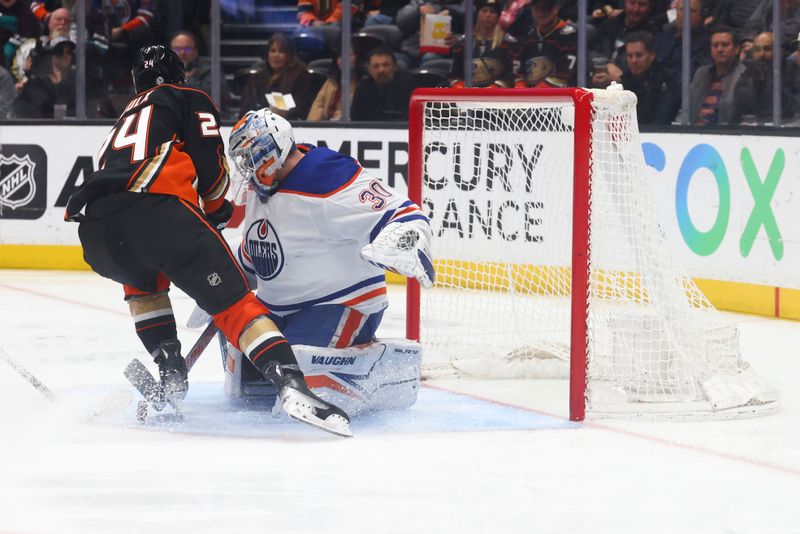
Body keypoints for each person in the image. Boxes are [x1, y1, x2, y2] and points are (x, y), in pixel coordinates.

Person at [63, 45, 352, 437]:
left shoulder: (122, 120)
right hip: (158, 213)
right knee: (234, 304)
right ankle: (290, 382)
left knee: (144, 284)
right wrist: (216, 208)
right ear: (178, 75)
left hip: (96, 230)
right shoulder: (187, 97)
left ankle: (169, 370)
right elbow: (212, 168)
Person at [224, 107, 434, 414]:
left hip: (339, 305)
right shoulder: (260, 186)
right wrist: (227, 280)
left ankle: (372, 368)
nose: (247, 169)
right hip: (280, 306)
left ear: (275, 148)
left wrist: (405, 240)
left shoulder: (325, 174)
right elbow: (263, 242)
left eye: (251, 158)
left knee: (295, 374)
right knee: (239, 343)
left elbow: (404, 213)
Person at [238, 33, 314, 120]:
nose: (276, 55)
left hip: (288, 125)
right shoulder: (257, 77)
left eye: (281, 51)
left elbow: (301, 107)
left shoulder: (300, 76)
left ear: (289, 54)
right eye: (273, 51)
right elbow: (246, 105)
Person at [589, 0, 661, 87]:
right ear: (624, 3)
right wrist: (607, 65)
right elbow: (590, 51)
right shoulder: (608, 24)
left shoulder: (653, 34)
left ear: (650, 8)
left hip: (629, 89)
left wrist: (619, 80)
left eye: (642, 4)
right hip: (596, 79)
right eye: (632, 3)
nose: (635, 9)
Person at [448, 0, 515, 88]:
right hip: (468, 94)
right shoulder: (464, 43)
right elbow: (455, 74)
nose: (488, 15)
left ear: (498, 16)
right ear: (478, 14)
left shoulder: (507, 44)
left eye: (492, 12)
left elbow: (511, 75)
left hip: (496, 95)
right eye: (484, 11)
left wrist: (497, 86)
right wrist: (458, 85)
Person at [513, 0, 578, 88]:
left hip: (561, 97)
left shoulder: (568, 35)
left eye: (546, 8)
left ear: (556, 9)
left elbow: (563, 75)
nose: (541, 12)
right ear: (532, 9)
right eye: (537, 8)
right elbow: (518, 69)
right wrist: (520, 86)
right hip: (530, 96)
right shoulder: (528, 36)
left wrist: (535, 93)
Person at [689, 24, 745, 125]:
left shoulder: (744, 74)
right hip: (696, 133)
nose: (719, 49)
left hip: (726, 134)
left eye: (725, 45)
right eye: (715, 45)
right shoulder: (701, 73)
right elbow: (689, 108)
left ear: (736, 49)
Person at [620, 31, 679, 124]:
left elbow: (662, 120)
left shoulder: (667, 83)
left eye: (639, 55)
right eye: (630, 56)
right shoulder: (624, 82)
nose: (633, 60)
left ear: (652, 55)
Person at [170, 30, 232, 115]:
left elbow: (217, 95)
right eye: (177, 49)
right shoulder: (165, 69)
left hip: (206, 117)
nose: (182, 53)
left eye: (187, 49)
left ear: (196, 51)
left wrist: (187, 80)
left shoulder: (210, 68)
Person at [351, 44, 416, 121]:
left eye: (386, 65)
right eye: (376, 66)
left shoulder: (408, 86)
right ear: (369, 70)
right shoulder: (363, 88)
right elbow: (356, 119)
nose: (381, 70)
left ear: (395, 67)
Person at [306, 48, 363, 120]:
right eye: (340, 56)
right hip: (326, 126)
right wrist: (327, 113)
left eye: (349, 55)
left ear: (358, 58)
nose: (344, 59)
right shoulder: (331, 81)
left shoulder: (363, 83)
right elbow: (317, 107)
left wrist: (338, 115)